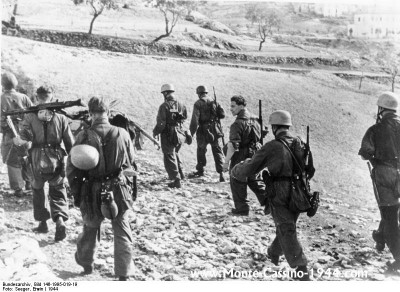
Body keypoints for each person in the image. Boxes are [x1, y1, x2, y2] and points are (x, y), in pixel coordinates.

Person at [230, 110, 312, 280]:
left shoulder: (272, 146)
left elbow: (251, 167)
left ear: (274, 127)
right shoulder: (301, 143)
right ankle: (273, 252)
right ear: (287, 126)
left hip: (279, 193)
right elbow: (310, 170)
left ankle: (300, 268)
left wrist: (236, 169)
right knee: (286, 225)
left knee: (286, 227)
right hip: (300, 192)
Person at [67, 97, 136, 280]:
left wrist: (76, 194)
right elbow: (131, 161)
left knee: (90, 227)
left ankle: (86, 264)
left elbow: (72, 169)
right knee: (121, 228)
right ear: (109, 113)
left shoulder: (83, 135)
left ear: (90, 114)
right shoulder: (123, 133)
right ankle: (124, 273)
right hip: (118, 189)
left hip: (91, 190)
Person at [17, 85, 74, 241]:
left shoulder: (29, 117)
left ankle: (43, 223)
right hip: (57, 157)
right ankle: (60, 220)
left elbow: (24, 139)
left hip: (36, 157)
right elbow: (70, 143)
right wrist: (71, 161)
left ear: (37, 97)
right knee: (58, 189)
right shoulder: (61, 117)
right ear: (51, 96)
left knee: (38, 189)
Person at [359, 91, 400, 271]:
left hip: (384, 173)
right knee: (393, 210)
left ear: (381, 109)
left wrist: (375, 159)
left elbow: (365, 152)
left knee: (389, 214)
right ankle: (380, 237)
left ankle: (398, 259)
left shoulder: (375, 129)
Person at [222, 95, 267, 216]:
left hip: (240, 155)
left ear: (241, 106)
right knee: (255, 179)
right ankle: (270, 203)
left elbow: (232, 146)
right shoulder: (256, 119)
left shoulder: (237, 124)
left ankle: (242, 208)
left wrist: (226, 163)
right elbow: (262, 134)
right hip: (255, 154)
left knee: (236, 178)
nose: (230, 109)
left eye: (233, 106)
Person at [0, 72, 33, 196]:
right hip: (26, 133)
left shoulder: (1, 98)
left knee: (13, 160)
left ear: (2, 84)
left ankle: (18, 188)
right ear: (15, 83)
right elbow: (33, 113)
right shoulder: (24, 97)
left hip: (10, 134)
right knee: (27, 157)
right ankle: (29, 182)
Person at [153, 84, 189, 188]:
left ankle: (176, 180)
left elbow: (161, 123)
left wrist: (155, 132)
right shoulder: (181, 104)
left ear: (165, 93)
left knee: (169, 155)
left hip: (168, 133)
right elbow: (185, 117)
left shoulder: (164, 106)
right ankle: (181, 174)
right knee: (175, 152)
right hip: (179, 133)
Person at [189, 85, 226, 182]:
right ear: (206, 93)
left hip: (203, 130)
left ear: (199, 94)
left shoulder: (198, 103)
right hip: (215, 129)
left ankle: (200, 170)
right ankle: (221, 173)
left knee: (201, 150)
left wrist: (191, 133)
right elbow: (222, 115)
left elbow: (194, 121)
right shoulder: (214, 101)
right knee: (217, 150)